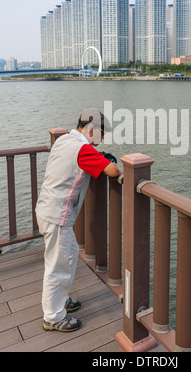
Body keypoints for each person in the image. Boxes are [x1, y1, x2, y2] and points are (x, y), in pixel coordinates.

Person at [36, 108, 120, 332]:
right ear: (91, 130)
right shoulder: (83, 149)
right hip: (58, 216)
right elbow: (113, 170)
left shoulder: (64, 139)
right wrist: (106, 160)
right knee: (58, 266)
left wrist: (99, 157)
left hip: (47, 209)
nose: (103, 138)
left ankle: (60, 301)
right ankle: (53, 317)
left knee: (67, 256)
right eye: (102, 133)